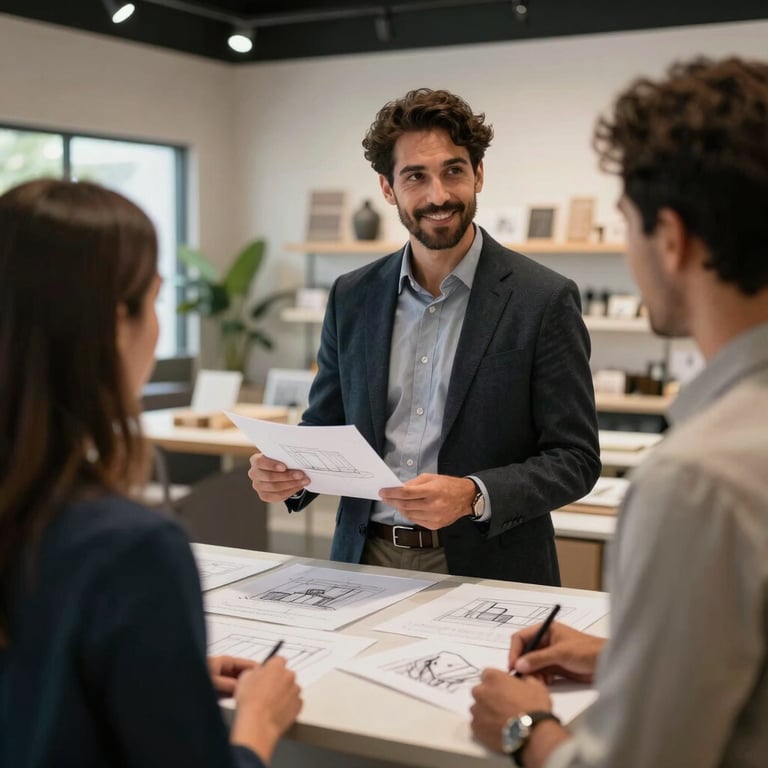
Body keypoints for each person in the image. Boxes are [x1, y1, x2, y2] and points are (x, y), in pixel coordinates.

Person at [470, 56, 768, 767]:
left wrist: (524, 727)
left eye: (628, 224)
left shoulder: (698, 481)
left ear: (671, 238)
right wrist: (626, 657)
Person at [0, 179, 302, 767]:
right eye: (155, 300)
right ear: (118, 322)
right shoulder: (131, 549)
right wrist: (259, 723)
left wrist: (156, 675)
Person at [249, 88, 600, 582]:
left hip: (491, 566)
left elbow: (576, 458)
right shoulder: (352, 296)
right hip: (362, 559)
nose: (438, 196)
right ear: (388, 188)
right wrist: (288, 474)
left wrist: (473, 494)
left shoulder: (543, 298)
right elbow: (325, 425)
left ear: (478, 174)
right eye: (415, 176)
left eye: (453, 171)